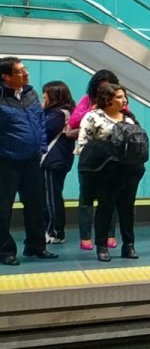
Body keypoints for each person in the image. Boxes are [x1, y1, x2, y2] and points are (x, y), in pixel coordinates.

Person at [75, 84, 145, 262]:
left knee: (127, 208)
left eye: (124, 96)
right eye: (120, 97)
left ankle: (129, 244)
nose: (124, 100)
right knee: (105, 207)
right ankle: (102, 245)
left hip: (129, 170)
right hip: (105, 171)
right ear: (108, 99)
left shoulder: (129, 118)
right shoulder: (93, 117)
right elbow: (83, 145)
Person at [0, 57, 55, 266]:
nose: (26, 74)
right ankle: (5, 251)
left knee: (36, 205)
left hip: (32, 160)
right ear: (6, 77)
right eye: (20, 71)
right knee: (3, 209)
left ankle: (36, 245)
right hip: (6, 161)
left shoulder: (30, 93)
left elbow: (40, 121)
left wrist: (41, 147)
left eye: (25, 70)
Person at [70, 69, 123, 252]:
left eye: (108, 88)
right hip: (90, 158)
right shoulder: (88, 101)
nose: (105, 92)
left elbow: (127, 120)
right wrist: (92, 110)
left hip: (113, 159)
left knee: (111, 198)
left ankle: (110, 234)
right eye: (101, 88)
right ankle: (85, 236)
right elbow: (74, 121)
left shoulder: (119, 103)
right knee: (86, 198)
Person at [40, 80, 76, 246]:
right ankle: (53, 230)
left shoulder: (57, 115)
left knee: (51, 197)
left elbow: (42, 132)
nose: (43, 98)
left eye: (45, 94)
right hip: (60, 159)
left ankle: (54, 231)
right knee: (53, 195)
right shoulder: (67, 113)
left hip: (52, 159)